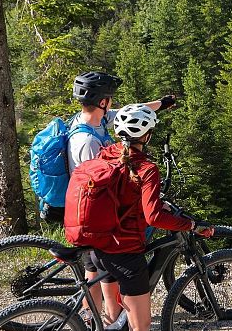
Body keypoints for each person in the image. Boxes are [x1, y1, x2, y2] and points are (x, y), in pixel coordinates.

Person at [73, 103, 213, 331]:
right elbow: (153, 215)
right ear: (146, 136)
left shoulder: (105, 154)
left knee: (112, 314)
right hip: (124, 252)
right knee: (139, 326)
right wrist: (190, 225)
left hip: (97, 247)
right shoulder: (147, 168)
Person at [67, 72, 176, 314]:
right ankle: (106, 323)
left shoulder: (92, 120)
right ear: (103, 102)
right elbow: (99, 188)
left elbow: (127, 114)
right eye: (110, 99)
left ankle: (98, 323)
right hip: (92, 215)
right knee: (100, 273)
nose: (113, 103)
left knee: (96, 270)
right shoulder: (87, 141)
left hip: (92, 210)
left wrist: (160, 104)